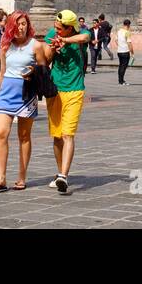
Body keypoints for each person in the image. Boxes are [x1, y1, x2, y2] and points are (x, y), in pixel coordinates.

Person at [0, 11, 47, 192]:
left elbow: (43, 70)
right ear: (11, 26)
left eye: (24, 24)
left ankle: (22, 176)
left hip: (26, 94)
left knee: (23, 136)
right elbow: (2, 71)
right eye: (18, 24)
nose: (21, 27)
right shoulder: (5, 45)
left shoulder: (35, 45)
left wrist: (33, 73)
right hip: (6, 93)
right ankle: (1, 178)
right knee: (1, 133)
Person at [44, 10, 94, 193]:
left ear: (70, 28)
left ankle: (64, 176)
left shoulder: (81, 33)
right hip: (55, 90)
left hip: (75, 90)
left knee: (68, 134)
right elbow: (46, 60)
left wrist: (64, 41)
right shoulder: (52, 35)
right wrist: (53, 49)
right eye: (55, 28)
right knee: (57, 137)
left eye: (59, 29)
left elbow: (85, 38)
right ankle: (59, 173)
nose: (56, 31)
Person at [116, 19, 133, 85]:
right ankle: (122, 81)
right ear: (128, 25)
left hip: (119, 51)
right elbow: (129, 43)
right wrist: (132, 52)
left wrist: (120, 46)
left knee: (120, 66)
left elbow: (116, 40)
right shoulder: (127, 32)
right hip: (125, 51)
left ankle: (120, 80)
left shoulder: (119, 31)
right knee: (124, 66)